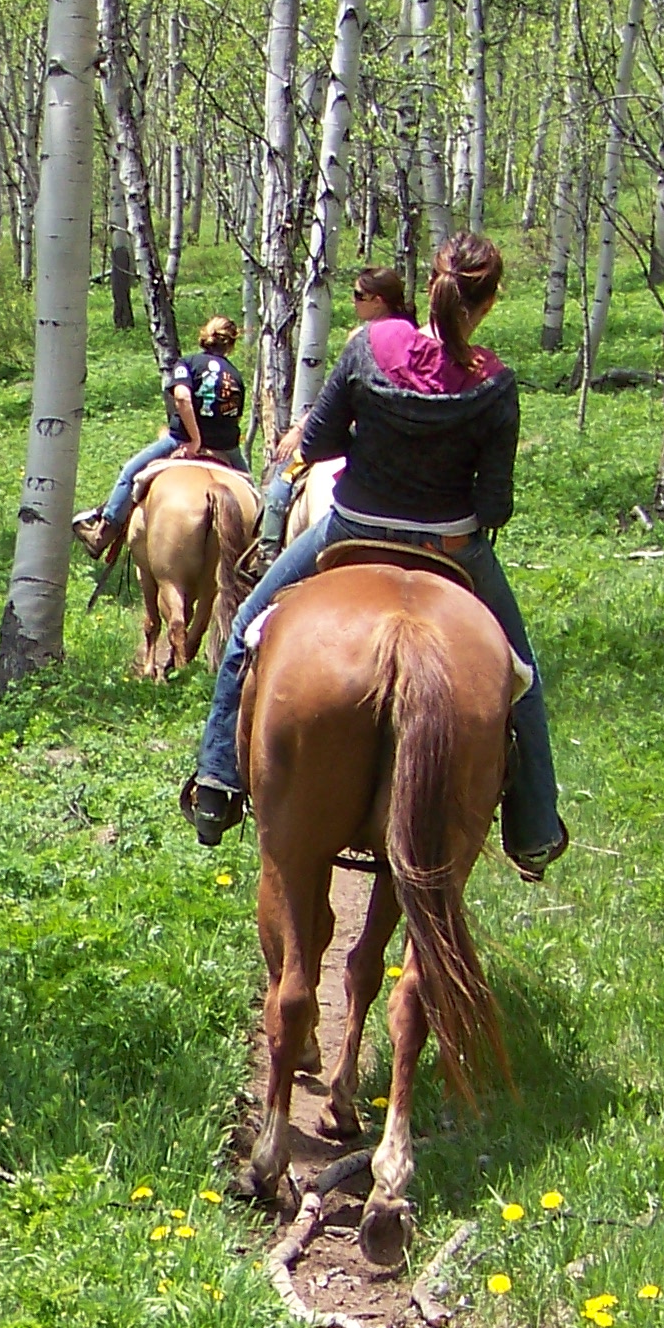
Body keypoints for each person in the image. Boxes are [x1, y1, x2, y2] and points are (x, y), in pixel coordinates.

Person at [182, 231, 570, 878]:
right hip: (452, 544)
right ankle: (532, 829)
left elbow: (326, 438)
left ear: (431, 289)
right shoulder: (495, 381)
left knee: (249, 628)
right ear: (491, 301)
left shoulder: (371, 345)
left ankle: (219, 781)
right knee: (520, 677)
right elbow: (496, 505)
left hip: (352, 527)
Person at [253, 267, 409, 573]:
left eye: (358, 296)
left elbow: (336, 397)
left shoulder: (362, 338)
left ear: (378, 301)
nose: (353, 302)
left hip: (356, 437)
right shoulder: (417, 336)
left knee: (283, 479)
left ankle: (267, 555)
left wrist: (300, 429)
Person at [77, 319, 246, 563]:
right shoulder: (235, 375)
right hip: (226, 448)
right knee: (256, 498)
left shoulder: (186, 363)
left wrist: (195, 440)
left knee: (130, 472)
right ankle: (260, 550)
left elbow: (182, 397)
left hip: (181, 441)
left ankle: (102, 534)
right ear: (231, 344)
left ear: (204, 337)